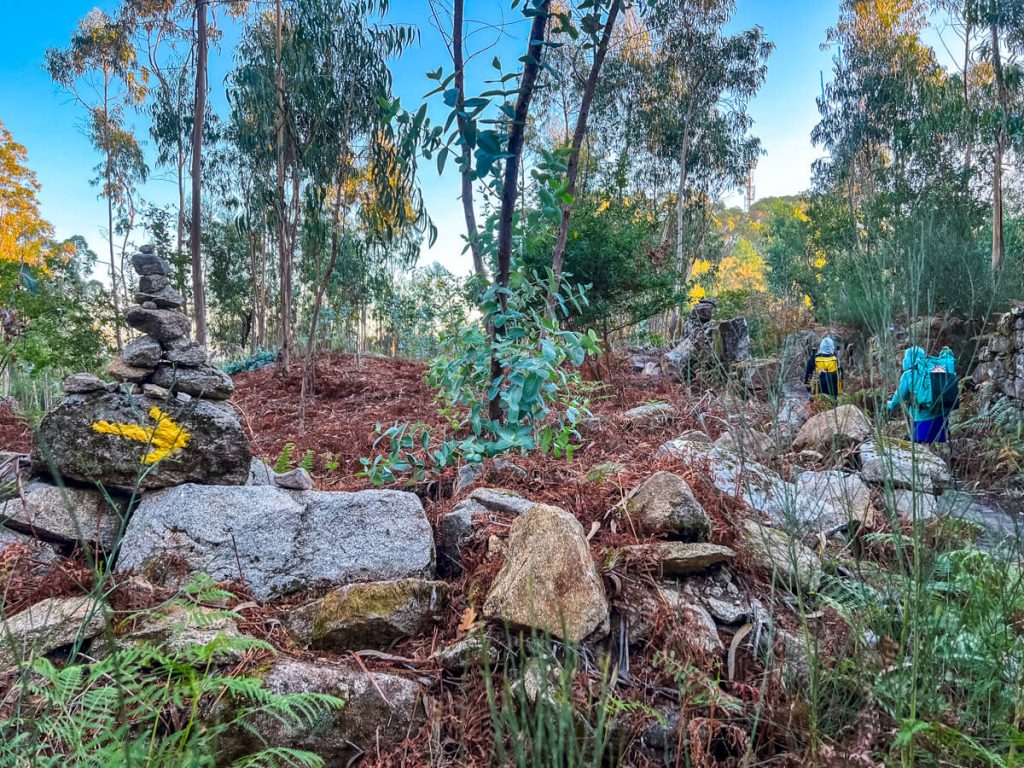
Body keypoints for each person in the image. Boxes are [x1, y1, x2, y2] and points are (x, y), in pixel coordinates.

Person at [887, 345, 959, 444]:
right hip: (941, 414)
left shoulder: (908, 375)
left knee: (923, 446)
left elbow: (899, 396)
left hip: (922, 417)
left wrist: (891, 404)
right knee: (938, 444)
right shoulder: (935, 368)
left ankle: (927, 458)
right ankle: (941, 459)